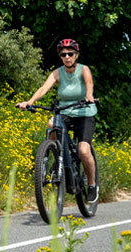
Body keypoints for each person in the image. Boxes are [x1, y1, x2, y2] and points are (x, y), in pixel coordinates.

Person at [16, 39, 100, 202]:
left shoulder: (84, 70)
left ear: (76, 55)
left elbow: (89, 84)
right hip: (65, 111)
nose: (67, 57)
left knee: (83, 150)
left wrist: (89, 96)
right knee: (51, 123)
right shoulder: (57, 73)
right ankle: (56, 153)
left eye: (70, 54)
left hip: (84, 111)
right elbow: (43, 88)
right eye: (63, 54)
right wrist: (29, 102)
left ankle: (91, 184)